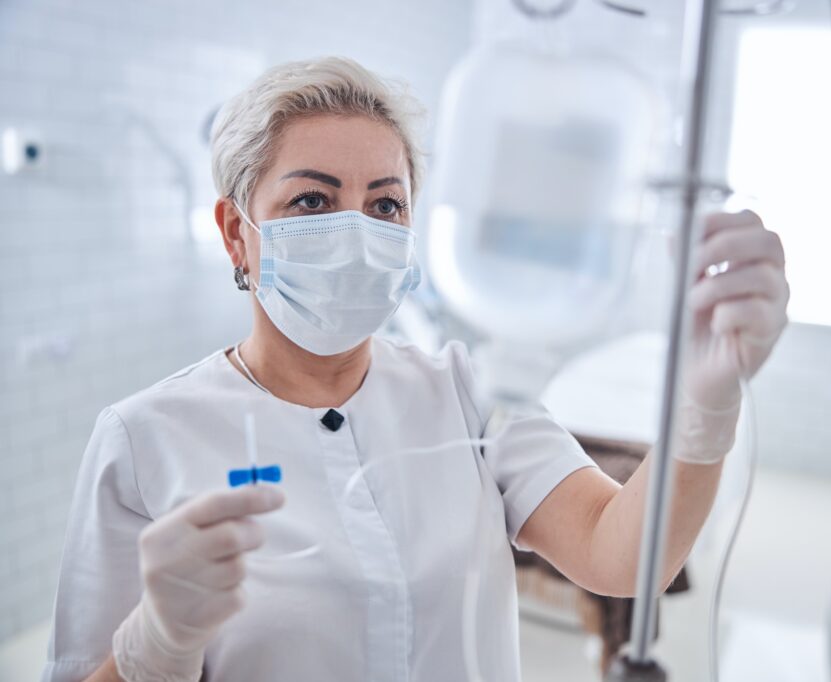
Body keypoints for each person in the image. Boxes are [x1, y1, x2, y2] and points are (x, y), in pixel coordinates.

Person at [42, 56, 789, 682]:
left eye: (386, 205)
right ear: (238, 234)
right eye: (312, 200)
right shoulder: (145, 439)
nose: (359, 234)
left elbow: (623, 556)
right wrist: (156, 645)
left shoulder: (471, 394)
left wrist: (701, 406)